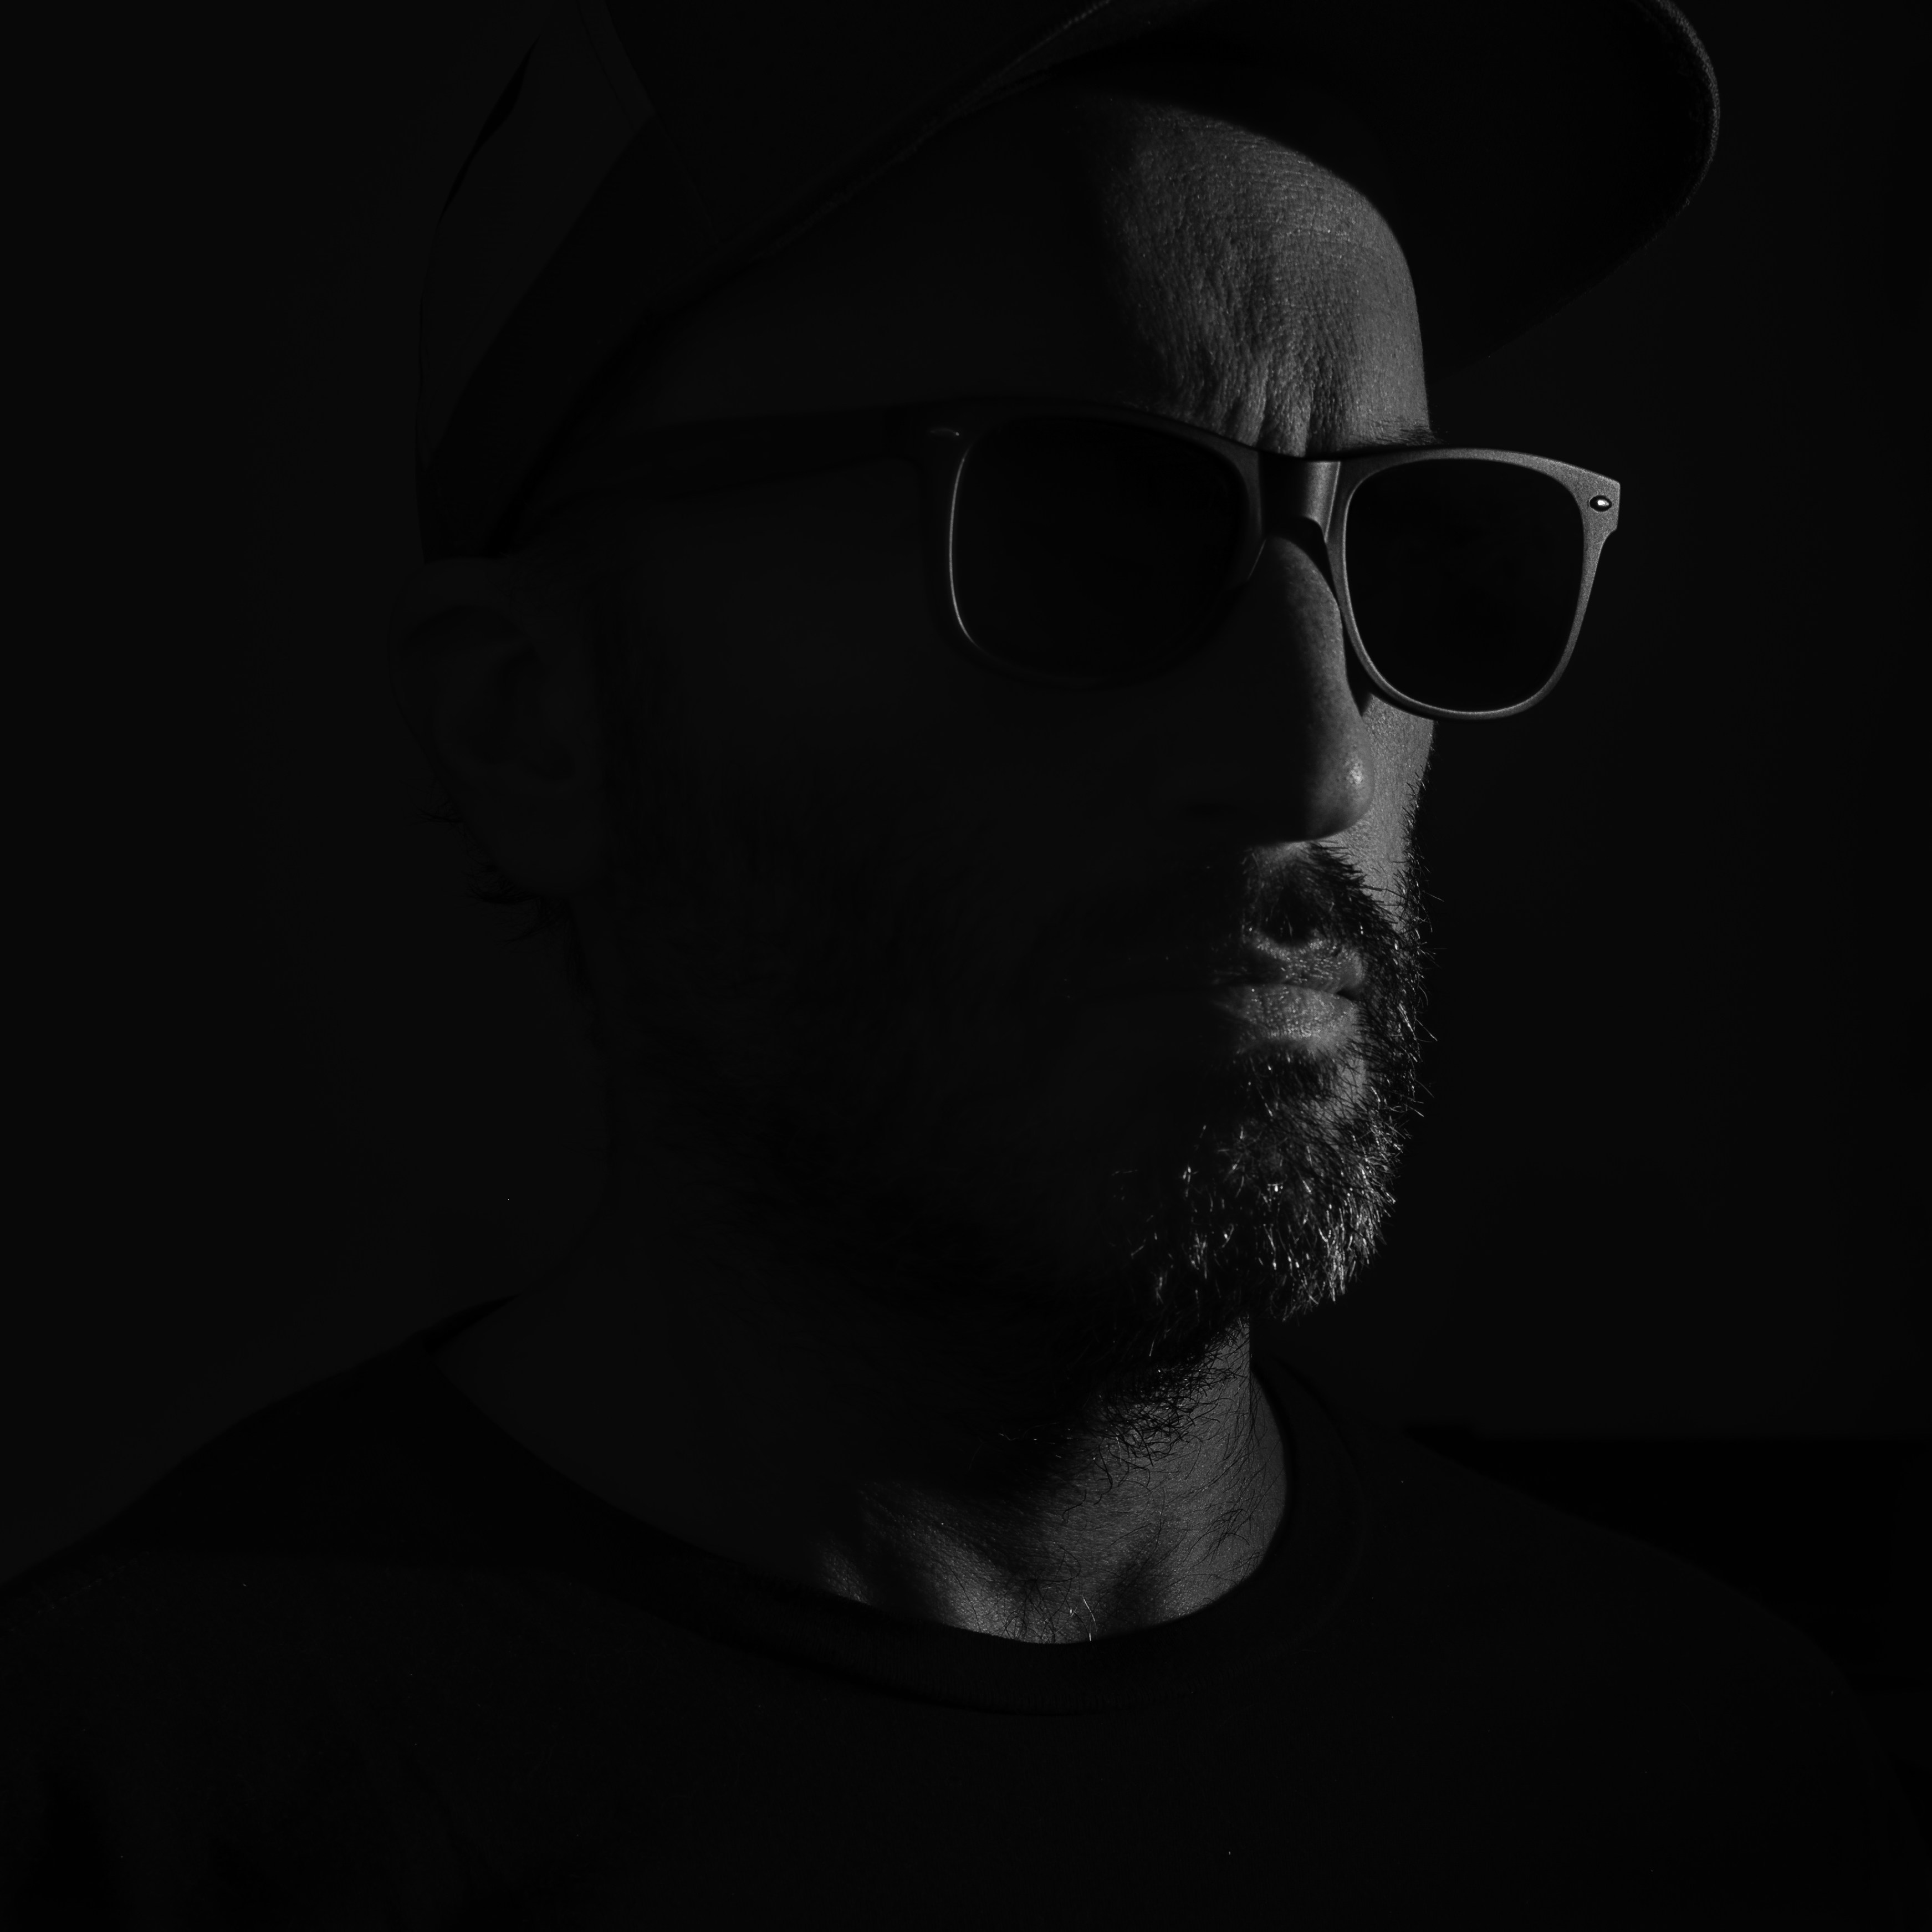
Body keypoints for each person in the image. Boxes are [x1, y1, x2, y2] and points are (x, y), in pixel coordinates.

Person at [4, 1, 1926, 1924]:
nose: (1317, 764)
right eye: (1079, 525)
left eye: (1415, 544)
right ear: (533, 726)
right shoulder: (124, 1823)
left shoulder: (1700, 1794)